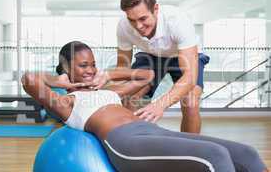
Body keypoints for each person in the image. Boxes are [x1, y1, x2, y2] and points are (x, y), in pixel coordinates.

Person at [22, 41, 268, 172]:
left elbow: (147, 75)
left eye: (93, 64)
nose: (90, 70)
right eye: (83, 65)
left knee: (247, 154)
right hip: (125, 143)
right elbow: (29, 80)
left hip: (154, 130)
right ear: (66, 68)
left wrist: (107, 74)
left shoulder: (108, 92)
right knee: (216, 157)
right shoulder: (67, 103)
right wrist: (60, 81)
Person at [94, 0, 210, 133]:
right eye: (132, 20)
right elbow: (123, 68)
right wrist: (109, 85)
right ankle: (131, 142)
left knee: (191, 100)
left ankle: (191, 150)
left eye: (143, 19)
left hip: (183, 55)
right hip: (151, 54)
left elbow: (190, 77)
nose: (138, 26)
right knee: (131, 96)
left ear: (155, 9)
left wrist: (160, 105)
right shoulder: (123, 26)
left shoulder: (177, 21)